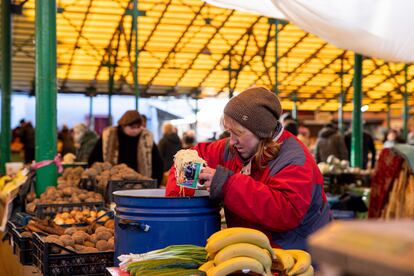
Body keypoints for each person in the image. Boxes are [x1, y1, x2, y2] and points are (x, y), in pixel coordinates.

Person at [166, 87, 331, 250]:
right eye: (229, 132)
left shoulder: (296, 161)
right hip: (252, 252)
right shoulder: (232, 149)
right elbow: (191, 157)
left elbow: (286, 213)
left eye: (238, 133)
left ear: (261, 132)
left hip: (297, 255)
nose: (231, 141)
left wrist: (226, 184)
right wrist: (178, 204)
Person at [88, 110, 164, 185]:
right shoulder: (108, 136)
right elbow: (94, 159)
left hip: (140, 185)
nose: (136, 130)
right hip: (113, 184)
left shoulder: (146, 138)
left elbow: (157, 163)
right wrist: (100, 179)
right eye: (132, 127)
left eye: (138, 127)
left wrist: (155, 184)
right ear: (123, 125)